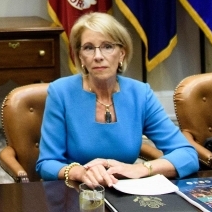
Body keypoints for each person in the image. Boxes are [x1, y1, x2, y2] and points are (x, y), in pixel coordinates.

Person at [37, 12, 198, 185]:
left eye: (107, 46)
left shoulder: (140, 94)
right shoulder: (61, 92)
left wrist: (141, 169)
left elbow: (187, 155)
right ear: (81, 57)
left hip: (125, 193)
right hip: (75, 192)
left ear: (122, 53)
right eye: (89, 48)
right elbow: (46, 164)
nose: (98, 56)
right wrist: (80, 173)